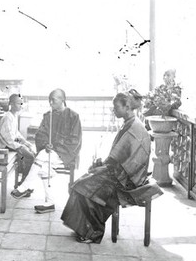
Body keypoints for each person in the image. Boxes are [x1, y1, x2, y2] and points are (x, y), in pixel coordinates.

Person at [60, 91, 152, 243]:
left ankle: (94, 232)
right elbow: (118, 156)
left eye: (116, 107)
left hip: (128, 179)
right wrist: (103, 166)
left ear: (127, 107)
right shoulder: (129, 123)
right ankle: (82, 227)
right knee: (81, 182)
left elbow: (129, 161)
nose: (113, 110)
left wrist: (104, 167)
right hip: (120, 172)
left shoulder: (134, 128)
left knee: (87, 188)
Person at [11, 88, 82, 213]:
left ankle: (24, 187)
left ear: (62, 100)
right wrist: (45, 144)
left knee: (42, 156)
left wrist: (55, 147)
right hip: (49, 154)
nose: (51, 103)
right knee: (44, 166)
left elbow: (75, 140)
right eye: (50, 100)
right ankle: (50, 203)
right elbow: (40, 134)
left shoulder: (73, 116)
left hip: (66, 153)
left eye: (53, 100)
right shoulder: (48, 116)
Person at [0, 94, 36, 194]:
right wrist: (20, 146)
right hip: (2, 145)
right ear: (11, 104)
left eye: (21, 103)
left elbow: (16, 134)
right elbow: (7, 138)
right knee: (29, 156)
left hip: (10, 144)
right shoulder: (7, 117)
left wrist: (25, 142)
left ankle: (23, 184)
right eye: (18, 103)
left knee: (31, 151)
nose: (20, 105)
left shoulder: (14, 115)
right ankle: (23, 186)